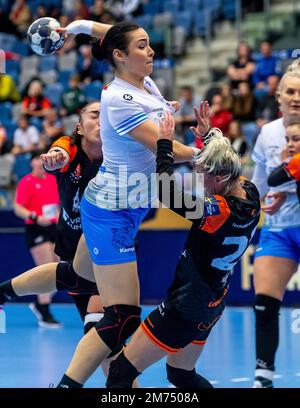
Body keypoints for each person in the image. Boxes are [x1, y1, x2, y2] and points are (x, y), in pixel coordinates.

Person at [52, 20, 199, 388]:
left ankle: (3, 290)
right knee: (122, 317)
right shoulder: (121, 99)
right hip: (110, 211)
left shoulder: (142, 82)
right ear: (119, 56)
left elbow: (115, 31)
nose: (151, 52)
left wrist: (79, 26)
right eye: (142, 47)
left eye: (150, 45)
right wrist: (211, 150)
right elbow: (170, 149)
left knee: (73, 275)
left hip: (126, 204)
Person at [106, 109, 260, 388]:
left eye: (203, 176)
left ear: (221, 178)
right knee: (180, 375)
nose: (201, 182)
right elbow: (225, 160)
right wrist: (207, 136)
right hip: (211, 304)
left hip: (184, 308)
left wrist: (164, 143)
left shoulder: (219, 212)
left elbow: (166, 191)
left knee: (120, 375)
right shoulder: (250, 193)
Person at [0, 102, 102, 328]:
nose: (102, 119)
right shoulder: (33, 178)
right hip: (40, 228)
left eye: (107, 114)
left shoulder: (121, 151)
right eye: (95, 115)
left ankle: (14, 296)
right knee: (60, 269)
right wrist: (57, 155)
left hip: (88, 238)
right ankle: (41, 308)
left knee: (103, 328)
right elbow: (61, 149)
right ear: (79, 128)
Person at [251, 60, 300, 388]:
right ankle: (263, 376)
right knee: (264, 302)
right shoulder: (268, 133)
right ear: (279, 95)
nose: (297, 97)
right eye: (291, 91)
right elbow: (259, 185)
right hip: (279, 228)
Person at [14, 151, 61, 328]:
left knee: (58, 268)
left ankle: (41, 303)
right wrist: (34, 217)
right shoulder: (26, 182)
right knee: (46, 269)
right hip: (35, 227)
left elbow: (57, 203)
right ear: (32, 162)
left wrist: (58, 213)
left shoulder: (52, 180)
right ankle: (44, 309)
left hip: (53, 227)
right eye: (38, 159)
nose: (42, 162)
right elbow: (18, 208)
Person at [268, 121, 300, 203]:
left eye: (296, 139)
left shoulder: (297, 161)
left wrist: (285, 161)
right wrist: (285, 196)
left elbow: (272, 180)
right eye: (287, 140)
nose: (289, 144)